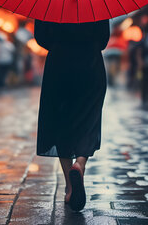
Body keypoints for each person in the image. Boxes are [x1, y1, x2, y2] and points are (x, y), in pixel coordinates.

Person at [34, 19, 110, 212]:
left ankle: (69, 184)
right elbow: (103, 40)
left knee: (61, 121)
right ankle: (80, 164)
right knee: (89, 118)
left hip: (59, 63)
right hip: (91, 63)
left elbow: (41, 38)